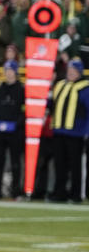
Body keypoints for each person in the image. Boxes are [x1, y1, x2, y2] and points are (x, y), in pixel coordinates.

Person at [48, 59, 89, 203]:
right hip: (59, 131)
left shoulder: (85, 88)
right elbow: (51, 104)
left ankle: (75, 194)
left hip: (76, 133)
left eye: (74, 70)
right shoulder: (59, 85)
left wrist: (86, 131)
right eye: (70, 69)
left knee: (75, 165)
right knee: (59, 164)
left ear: (79, 72)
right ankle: (60, 193)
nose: (71, 72)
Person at [0, 60, 24, 199]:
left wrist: (16, 124)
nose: (8, 74)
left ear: (15, 72)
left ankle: (16, 190)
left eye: (11, 71)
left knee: (15, 161)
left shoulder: (21, 90)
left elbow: (24, 111)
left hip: (15, 132)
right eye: (7, 71)